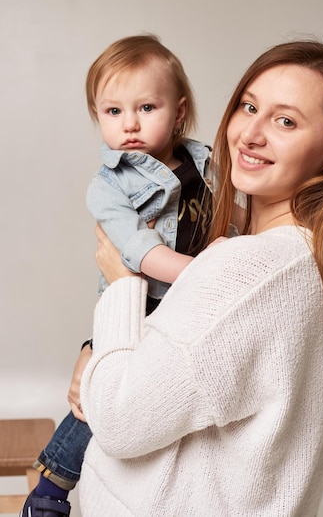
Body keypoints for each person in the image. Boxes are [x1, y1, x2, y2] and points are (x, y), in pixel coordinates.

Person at [78, 40, 323, 516]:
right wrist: (98, 352)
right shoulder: (301, 257)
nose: (250, 133)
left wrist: (121, 283)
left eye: (286, 121)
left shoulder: (249, 271)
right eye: (249, 106)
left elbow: (119, 419)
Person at [20, 35, 213, 517]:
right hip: (136, 307)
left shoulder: (207, 162)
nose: (129, 124)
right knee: (98, 401)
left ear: (179, 112)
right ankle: (52, 487)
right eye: (112, 111)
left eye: (146, 107)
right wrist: (206, 274)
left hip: (186, 313)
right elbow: (137, 252)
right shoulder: (108, 185)